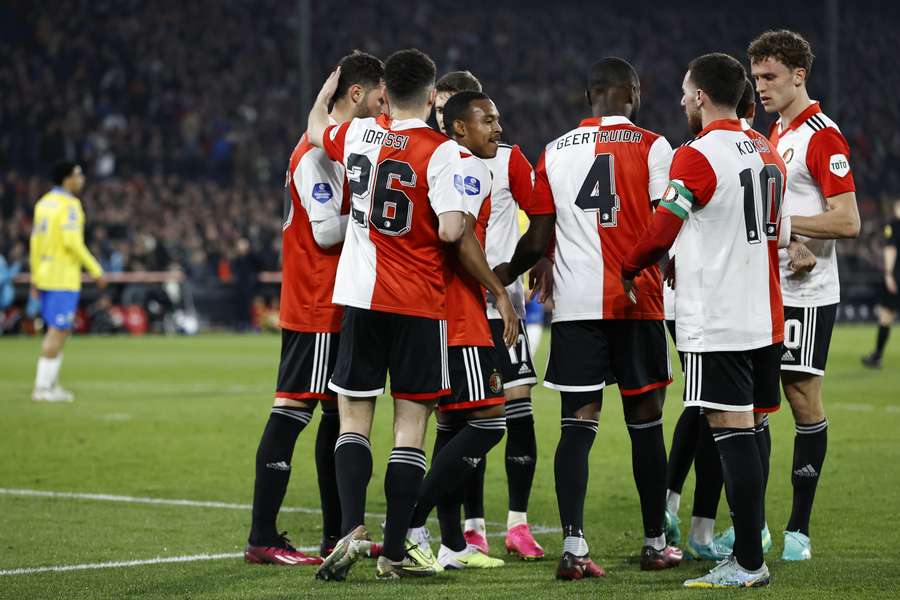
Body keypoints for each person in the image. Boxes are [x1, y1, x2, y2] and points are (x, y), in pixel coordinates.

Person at [307, 48, 516, 581]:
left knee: (353, 421)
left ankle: (352, 528)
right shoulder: (442, 152)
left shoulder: (355, 135)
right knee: (410, 430)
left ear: (384, 93)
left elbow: (315, 130)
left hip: (359, 296)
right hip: (419, 304)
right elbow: (451, 230)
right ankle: (395, 550)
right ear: (430, 97)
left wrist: (328, 91)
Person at [623, 52, 788, 588]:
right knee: (751, 429)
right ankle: (747, 549)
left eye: (683, 92)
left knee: (729, 429)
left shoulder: (696, 156)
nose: (680, 101)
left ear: (699, 96)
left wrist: (629, 266)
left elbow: (659, 231)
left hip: (718, 317)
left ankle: (746, 562)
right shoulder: (767, 150)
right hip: (765, 315)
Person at [517, 57, 681, 579]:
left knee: (576, 426)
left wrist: (516, 267)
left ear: (589, 97)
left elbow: (540, 235)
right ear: (633, 91)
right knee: (646, 426)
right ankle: (656, 543)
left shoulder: (554, 151)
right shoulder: (656, 146)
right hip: (636, 302)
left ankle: (574, 547)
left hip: (576, 307)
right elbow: (664, 224)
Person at [243, 51, 385, 567]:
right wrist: (375, 214)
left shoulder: (339, 147)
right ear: (355, 94)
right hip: (316, 303)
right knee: (292, 411)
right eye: (377, 96)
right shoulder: (313, 155)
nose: (383, 105)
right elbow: (326, 232)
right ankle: (262, 536)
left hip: (337, 299)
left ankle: (335, 534)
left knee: (335, 416)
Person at [749, 29, 860, 561]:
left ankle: (796, 530)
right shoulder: (777, 130)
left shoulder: (822, 135)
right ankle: (758, 530)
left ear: (799, 75)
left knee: (799, 399)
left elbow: (848, 219)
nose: (761, 87)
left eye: (770, 77)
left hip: (806, 295)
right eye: (755, 78)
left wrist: (789, 229)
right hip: (769, 286)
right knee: (754, 405)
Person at [433, 69, 549, 560]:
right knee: (463, 420)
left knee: (515, 412)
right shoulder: (438, 162)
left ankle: (518, 524)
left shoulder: (507, 159)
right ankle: (471, 527)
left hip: (503, 306)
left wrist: (531, 261)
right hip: (453, 307)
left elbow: (542, 213)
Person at [406, 90, 518, 571]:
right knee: (491, 422)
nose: (497, 128)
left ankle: (452, 544)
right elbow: (461, 237)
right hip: (458, 312)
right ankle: (410, 521)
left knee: (450, 429)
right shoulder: (466, 165)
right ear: (458, 128)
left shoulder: (440, 161)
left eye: (497, 120)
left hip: (434, 310)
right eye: (487, 120)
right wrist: (498, 291)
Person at [29, 161, 106, 402]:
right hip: (63, 277)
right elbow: (72, 242)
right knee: (58, 330)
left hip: (45, 274)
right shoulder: (70, 205)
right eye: (77, 174)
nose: (82, 178)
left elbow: (35, 243)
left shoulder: (43, 203)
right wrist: (95, 268)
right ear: (66, 179)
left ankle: (50, 385)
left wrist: (34, 276)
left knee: (58, 330)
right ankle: (42, 388)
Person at [862, 198, 900, 368]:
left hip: (897, 276)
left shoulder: (894, 225)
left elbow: (890, 249)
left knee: (886, 314)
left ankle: (877, 356)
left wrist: (889, 275)